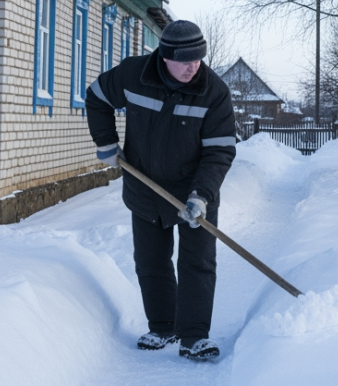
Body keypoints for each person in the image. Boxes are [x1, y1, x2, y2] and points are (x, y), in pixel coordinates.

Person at [84, 19, 237, 362]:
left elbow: (220, 150)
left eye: (198, 58)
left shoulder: (213, 91)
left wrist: (201, 196)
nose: (192, 67)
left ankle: (194, 336)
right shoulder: (134, 73)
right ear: (165, 56)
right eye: (184, 60)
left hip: (195, 190)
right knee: (151, 260)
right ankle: (163, 326)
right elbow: (96, 97)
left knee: (197, 261)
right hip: (144, 182)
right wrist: (106, 143)